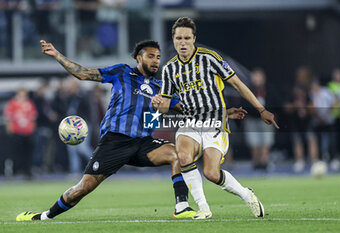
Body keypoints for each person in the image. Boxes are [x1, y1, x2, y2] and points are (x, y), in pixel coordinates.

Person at [16, 39, 198, 221]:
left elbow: (188, 109)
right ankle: (44, 216)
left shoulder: (162, 88)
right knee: (83, 188)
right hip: (115, 141)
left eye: (158, 57)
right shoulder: (121, 72)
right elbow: (83, 74)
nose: (156, 61)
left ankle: (181, 206)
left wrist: (167, 108)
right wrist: (57, 55)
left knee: (177, 154)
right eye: (151, 56)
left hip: (144, 143)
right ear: (138, 58)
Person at [153, 17, 279, 219]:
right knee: (183, 156)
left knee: (211, 173)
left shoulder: (210, 58)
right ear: (173, 39)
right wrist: (158, 103)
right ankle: (204, 208)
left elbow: (237, 84)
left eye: (187, 38)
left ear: (194, 38)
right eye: (178, 38)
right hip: (189, 122)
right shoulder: (169, 69)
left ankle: (246, 194)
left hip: (214, 122)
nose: (182, 43)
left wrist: (260, 109)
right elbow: (166, 106)